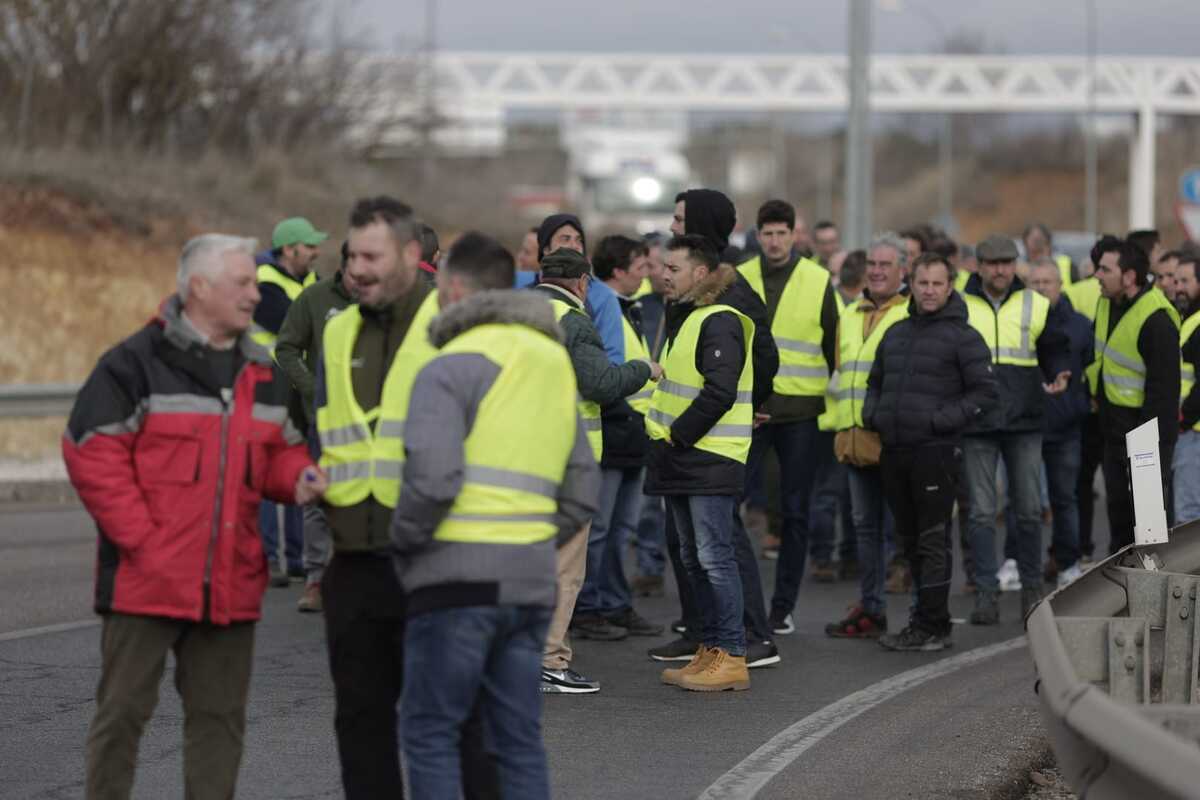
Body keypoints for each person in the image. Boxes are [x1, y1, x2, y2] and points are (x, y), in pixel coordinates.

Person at [64, 233, 324, 799]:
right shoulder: (133, 363)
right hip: (144, 582)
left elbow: (282, 450)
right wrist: (142, 541)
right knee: (121, 720)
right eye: (244, 283)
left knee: (219, 724)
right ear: (199, 287)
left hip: (231, 582)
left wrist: (301, 477)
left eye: (256, 283)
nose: (256, 294)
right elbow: (91, 448)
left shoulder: (262, 369)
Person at [391, 232, 600, 800]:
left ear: (455, 288)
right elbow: (583, 484)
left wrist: (405, 545)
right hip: (530, 580)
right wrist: (534, 537)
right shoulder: (552, 360)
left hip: (455, 579)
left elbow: (431, 481)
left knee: (433, 732)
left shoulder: (449, 364)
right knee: (518, 739)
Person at [313, 196, 491, 798]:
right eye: (351, 255)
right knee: (360, 724)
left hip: (437, 558)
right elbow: (333, 430)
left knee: (457, 720)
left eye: (371, 255)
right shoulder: (336, 331)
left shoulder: (455, 328)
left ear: (412, 256)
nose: (356, 268)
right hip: (355, 561)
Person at [650, 188, 781, 670]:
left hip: (708, 439)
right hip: (685, 440)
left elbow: (759, 357)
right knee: (692, 546)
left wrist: (748, 403)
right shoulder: (690, 287)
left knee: (719, 544)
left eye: (680, 218)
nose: (672, 224)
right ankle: (706, 633)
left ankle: (746, 636)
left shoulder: (730, 292)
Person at [534, 245, 657, 691]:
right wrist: (642, 368)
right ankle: (549, 659)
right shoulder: (573, 321)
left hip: (522, 457)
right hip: (568, 460)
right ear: (583, 283)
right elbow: (602, 384)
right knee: (565, 566)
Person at [866, 253, 998, 650]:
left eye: (937, 284)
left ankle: (931, 625)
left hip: (935, 452)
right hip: (894, 449)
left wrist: (941, 421)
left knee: (931, 540)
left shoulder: (964, 337)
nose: (929, 290)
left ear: (950, 287)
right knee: (909, 543)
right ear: (912, 283)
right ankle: (927, 621)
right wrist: (872, 414)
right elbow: (875, 381)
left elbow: (985, 393)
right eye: (923, 283)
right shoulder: (897, 332)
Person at [647, 234, 755, 692]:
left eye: (673, 269)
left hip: (707, 457)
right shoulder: (688, 317)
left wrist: (678, 435)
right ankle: (710, 648)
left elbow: (719, 391)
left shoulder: (719, 320)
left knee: (714, 558)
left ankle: (731, 653)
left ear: (701, 273)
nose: (663, 276)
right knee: (694, 559)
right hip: (683, 460)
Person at [733, 199, 839, 637]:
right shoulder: (741, 276)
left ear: (796, 234)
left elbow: (833, 344)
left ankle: (782, 607)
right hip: (752, 410)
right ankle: (745, 602)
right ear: (758, 235)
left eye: (782, 233)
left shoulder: (818, 279)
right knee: (731, 504)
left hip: (800, 412)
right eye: (768, 233)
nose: (775, 241)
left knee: (795, 510)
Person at [962, 234, 1071, 624]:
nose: (1000, 270)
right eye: (993, 263)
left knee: (1026, 510)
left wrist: (1059, 369)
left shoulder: (1034, 303)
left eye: (1007, 263)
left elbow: (1054, 344)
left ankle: (1030, 589)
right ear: (979, 265)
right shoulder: (960, 303)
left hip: (1024, 419)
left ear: (1015, 265)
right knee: (981, 512)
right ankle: (986, 593)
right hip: (976, 421)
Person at [572, 235, 664, 637]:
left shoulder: (628, 308)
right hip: (613, 430)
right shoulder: (603, 305)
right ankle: (589, 606)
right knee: (601, 528)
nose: (648, 274)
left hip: (631, 433)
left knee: (620, 529)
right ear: (620, 270)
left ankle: (614, 601)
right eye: (641, 267)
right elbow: (606, 374)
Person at [823, 233, 910, 639]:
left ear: (902, 271)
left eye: (885, 265)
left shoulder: (909, 314)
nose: (875, 271)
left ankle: (919, 616)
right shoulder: (850, 313)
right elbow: (843, 374)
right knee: (866, 529)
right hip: (855, 439)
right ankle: (872, 609)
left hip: (894, 441)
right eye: (872, 264)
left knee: (907, 529)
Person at [274, 241, 359, 612]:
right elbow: (286, 347)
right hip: (321, 421)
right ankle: (315, 581)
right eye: (357, 265)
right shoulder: (314, 298)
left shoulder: (386, 302)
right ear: (344, 266)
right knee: (316, 500)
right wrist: (312, 387)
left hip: (372, 425)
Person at [1093, 238, 1181, 552]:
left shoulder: (1156, 319)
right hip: (1114, 431)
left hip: (1145, 439)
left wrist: (1143, 453)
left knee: (1147, 533)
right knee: (1120, 527)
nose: (1097, 276)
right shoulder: (1108, 303)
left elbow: (1163, 395)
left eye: (1105, 269)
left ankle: (1154, 596)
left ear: (1129, 277)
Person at [252, 217, 327, 586]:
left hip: (298, 383)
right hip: (267, 382)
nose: (315, 252)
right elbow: (293, 327)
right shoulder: (265, 283)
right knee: (267, 468)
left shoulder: (310, 282)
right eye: (309, 246)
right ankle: (269, 557)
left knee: (300, 466)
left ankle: (296, 556)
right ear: (289, 248)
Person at [1027, 260, 1094, 588]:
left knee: (1064, 498)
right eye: (1034, 282)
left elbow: (1090, 368)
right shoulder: (1019, 323)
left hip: (1066, 425)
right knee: (1021, 501)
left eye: (1047, 282)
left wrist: (1082, 405)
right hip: (1025, 424)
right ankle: (1019, 562)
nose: (1040, 287)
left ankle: (1068, 562)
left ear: (1060, 285)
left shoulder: (1080, 325)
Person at [1175, 252, 1200, 524]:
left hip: (1193, 432)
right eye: (1176, 280)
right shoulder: (1188, 318)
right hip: (1189, 430)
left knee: (1188, 517)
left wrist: (1184, 417)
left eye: (1185, 280)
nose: (1178, 286)